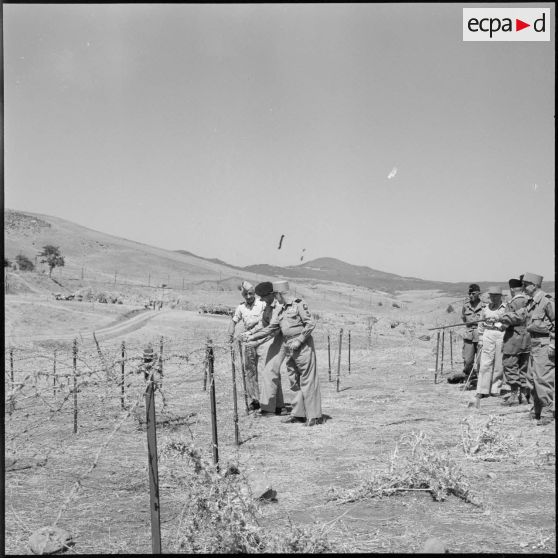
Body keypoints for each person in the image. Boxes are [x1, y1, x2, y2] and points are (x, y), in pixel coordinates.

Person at [241, 280, 323, 426]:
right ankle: (298, 414)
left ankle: (314, 416)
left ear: (277, 293)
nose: (275, 299)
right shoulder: (280, 309)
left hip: (302, 346)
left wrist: (300, 339)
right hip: (289, 346)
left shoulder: (299, 303)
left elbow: (310, 323)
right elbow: (271, 328)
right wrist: (252, 336)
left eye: (275, 295)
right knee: (294, 380)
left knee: (308, 380)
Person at [501, 273, 554, 425]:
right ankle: (537, 410)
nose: (523, 288)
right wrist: (501, 317)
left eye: (526, 284)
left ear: (534, 285)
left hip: (545, 346)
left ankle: (547, 413)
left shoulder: (546, 301)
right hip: (534, 345)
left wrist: (553, 344)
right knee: (532, 380)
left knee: (543, 380)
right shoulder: (531, 303)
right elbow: (519, 315)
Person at [228, 280, 265, 411]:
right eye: (245, 295)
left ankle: (268, 400)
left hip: (263, 341)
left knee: (264, 371)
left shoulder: (262, 304)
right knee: (250, 372)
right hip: (249, 343)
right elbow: (234, 321)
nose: (248, 297)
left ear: (254, 293)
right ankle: (255, 400)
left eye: (250, 294)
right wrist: (230, 334)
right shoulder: (241, 307)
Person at [253, 281, 287, 416]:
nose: (261, 299)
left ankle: (268, 408)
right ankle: (279, 407)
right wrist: (249, 333)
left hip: (278, 341)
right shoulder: (268, 306)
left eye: (263, 296)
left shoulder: (278, 307)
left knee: (269, 373)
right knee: (273, 374)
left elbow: (272, 329)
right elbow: (262, 325)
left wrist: (254, 338)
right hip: (270, 342)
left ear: (271, 294)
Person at [469, 286, 506, 408]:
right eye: (492, 296)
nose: (493, 298)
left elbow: (508, 323)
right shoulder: (485, 309)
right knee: (485, 363)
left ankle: (496, 389)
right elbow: (481, 324)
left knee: (499, 363)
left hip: (500, 334)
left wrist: (499, 321)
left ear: (500, 296)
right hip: (487, 334)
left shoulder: (505, 308)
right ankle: (482, 390)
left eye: (496, 296)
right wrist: (480, 338)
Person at [501, 278, 531, 406]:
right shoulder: (529, 301)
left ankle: (514, 394)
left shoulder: (512, 303)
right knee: (523, 367)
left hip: (513, 340)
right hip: (527, 339)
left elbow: (507, 321)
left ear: (512, 289)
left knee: (510, 365)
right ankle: (523, 395)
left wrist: (499, 323)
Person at [448, 284, 485, 386]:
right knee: (468, 360)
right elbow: (464, 318)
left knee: (481, 361)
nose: (471, 295)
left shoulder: (484, 306)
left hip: (481, 335)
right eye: (469, 293)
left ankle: (481, 381)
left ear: (478, 293)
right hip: (469, 335)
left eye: (473, 293)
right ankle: (468, 377)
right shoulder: (466, 305)